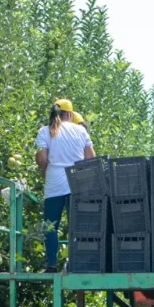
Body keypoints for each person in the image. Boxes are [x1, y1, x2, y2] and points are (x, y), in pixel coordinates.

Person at [34, 99, 95, 271]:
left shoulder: (45, 131)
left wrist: (45, 170)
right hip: (77, 183)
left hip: (54, 185)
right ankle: (77, 265)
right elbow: (91, 159)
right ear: (69, 114)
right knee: (77, 226)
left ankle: (52, 265)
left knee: (51, 226)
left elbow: (42, 159)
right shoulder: (80, 131)